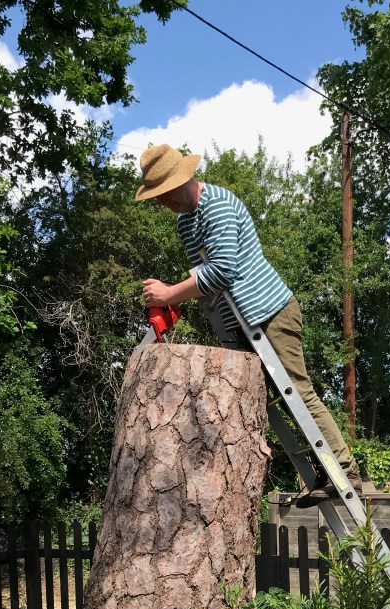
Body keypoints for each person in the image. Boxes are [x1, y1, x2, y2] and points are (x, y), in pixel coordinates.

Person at [135, 143, 361, 507]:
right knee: (271, 402)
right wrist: (175, 300)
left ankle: (345, 473)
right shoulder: (185, 221)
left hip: (269, 312)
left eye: (164, 192)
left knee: (298, 393)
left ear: (182, 179)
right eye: (156, 195)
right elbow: (203, 276)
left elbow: (222, 270)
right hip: (239, 326)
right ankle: (323, 473)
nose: (162, 201)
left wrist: (170, 293)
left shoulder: (217, 205)